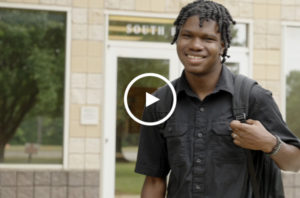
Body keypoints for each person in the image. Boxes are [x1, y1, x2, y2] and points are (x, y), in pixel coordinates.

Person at [134, 0, 300, 197]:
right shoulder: (160, 104)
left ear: (222, 45)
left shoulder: (253, 97)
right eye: (187, 36)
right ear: (177, 39)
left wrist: (269, 143)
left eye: (208, 39)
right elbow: (154, 179)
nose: (195, 45)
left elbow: (295, 162)